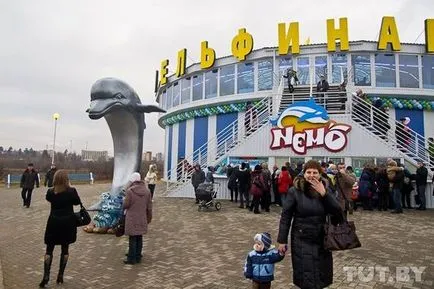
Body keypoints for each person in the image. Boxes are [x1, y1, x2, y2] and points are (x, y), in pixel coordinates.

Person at [277, 160, 343, 289]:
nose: (311, 175)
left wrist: (324, 194)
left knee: (321, 273)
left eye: (315, 172)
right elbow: (286, 217)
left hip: (322, 237)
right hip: (302, 238)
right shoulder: (294, 191)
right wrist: (282, 240)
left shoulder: (326, 188)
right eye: (308, 172)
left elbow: (337, 212)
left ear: (320, 174)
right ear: (304, 173)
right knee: (305, 274)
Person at [39, 170, 82, 288]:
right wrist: (70, 187)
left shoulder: (51, 192)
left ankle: (46, 276)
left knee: (49, 249)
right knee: (65, 248)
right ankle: (60, 275)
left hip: (54, 222)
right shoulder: (71, 191)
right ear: (66, 179)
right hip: (68, 223)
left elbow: (48, 199)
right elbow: (77, 202)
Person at [123, 172, 152, 264]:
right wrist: (149, 217)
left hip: (131, 217)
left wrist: (123, 202)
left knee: (132, 238)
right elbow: (149, 207)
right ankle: (138, 256)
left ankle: (131, 258)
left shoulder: (130, 191)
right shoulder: (147, 191)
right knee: (139, 237)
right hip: (142, 217)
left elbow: (126, 205)